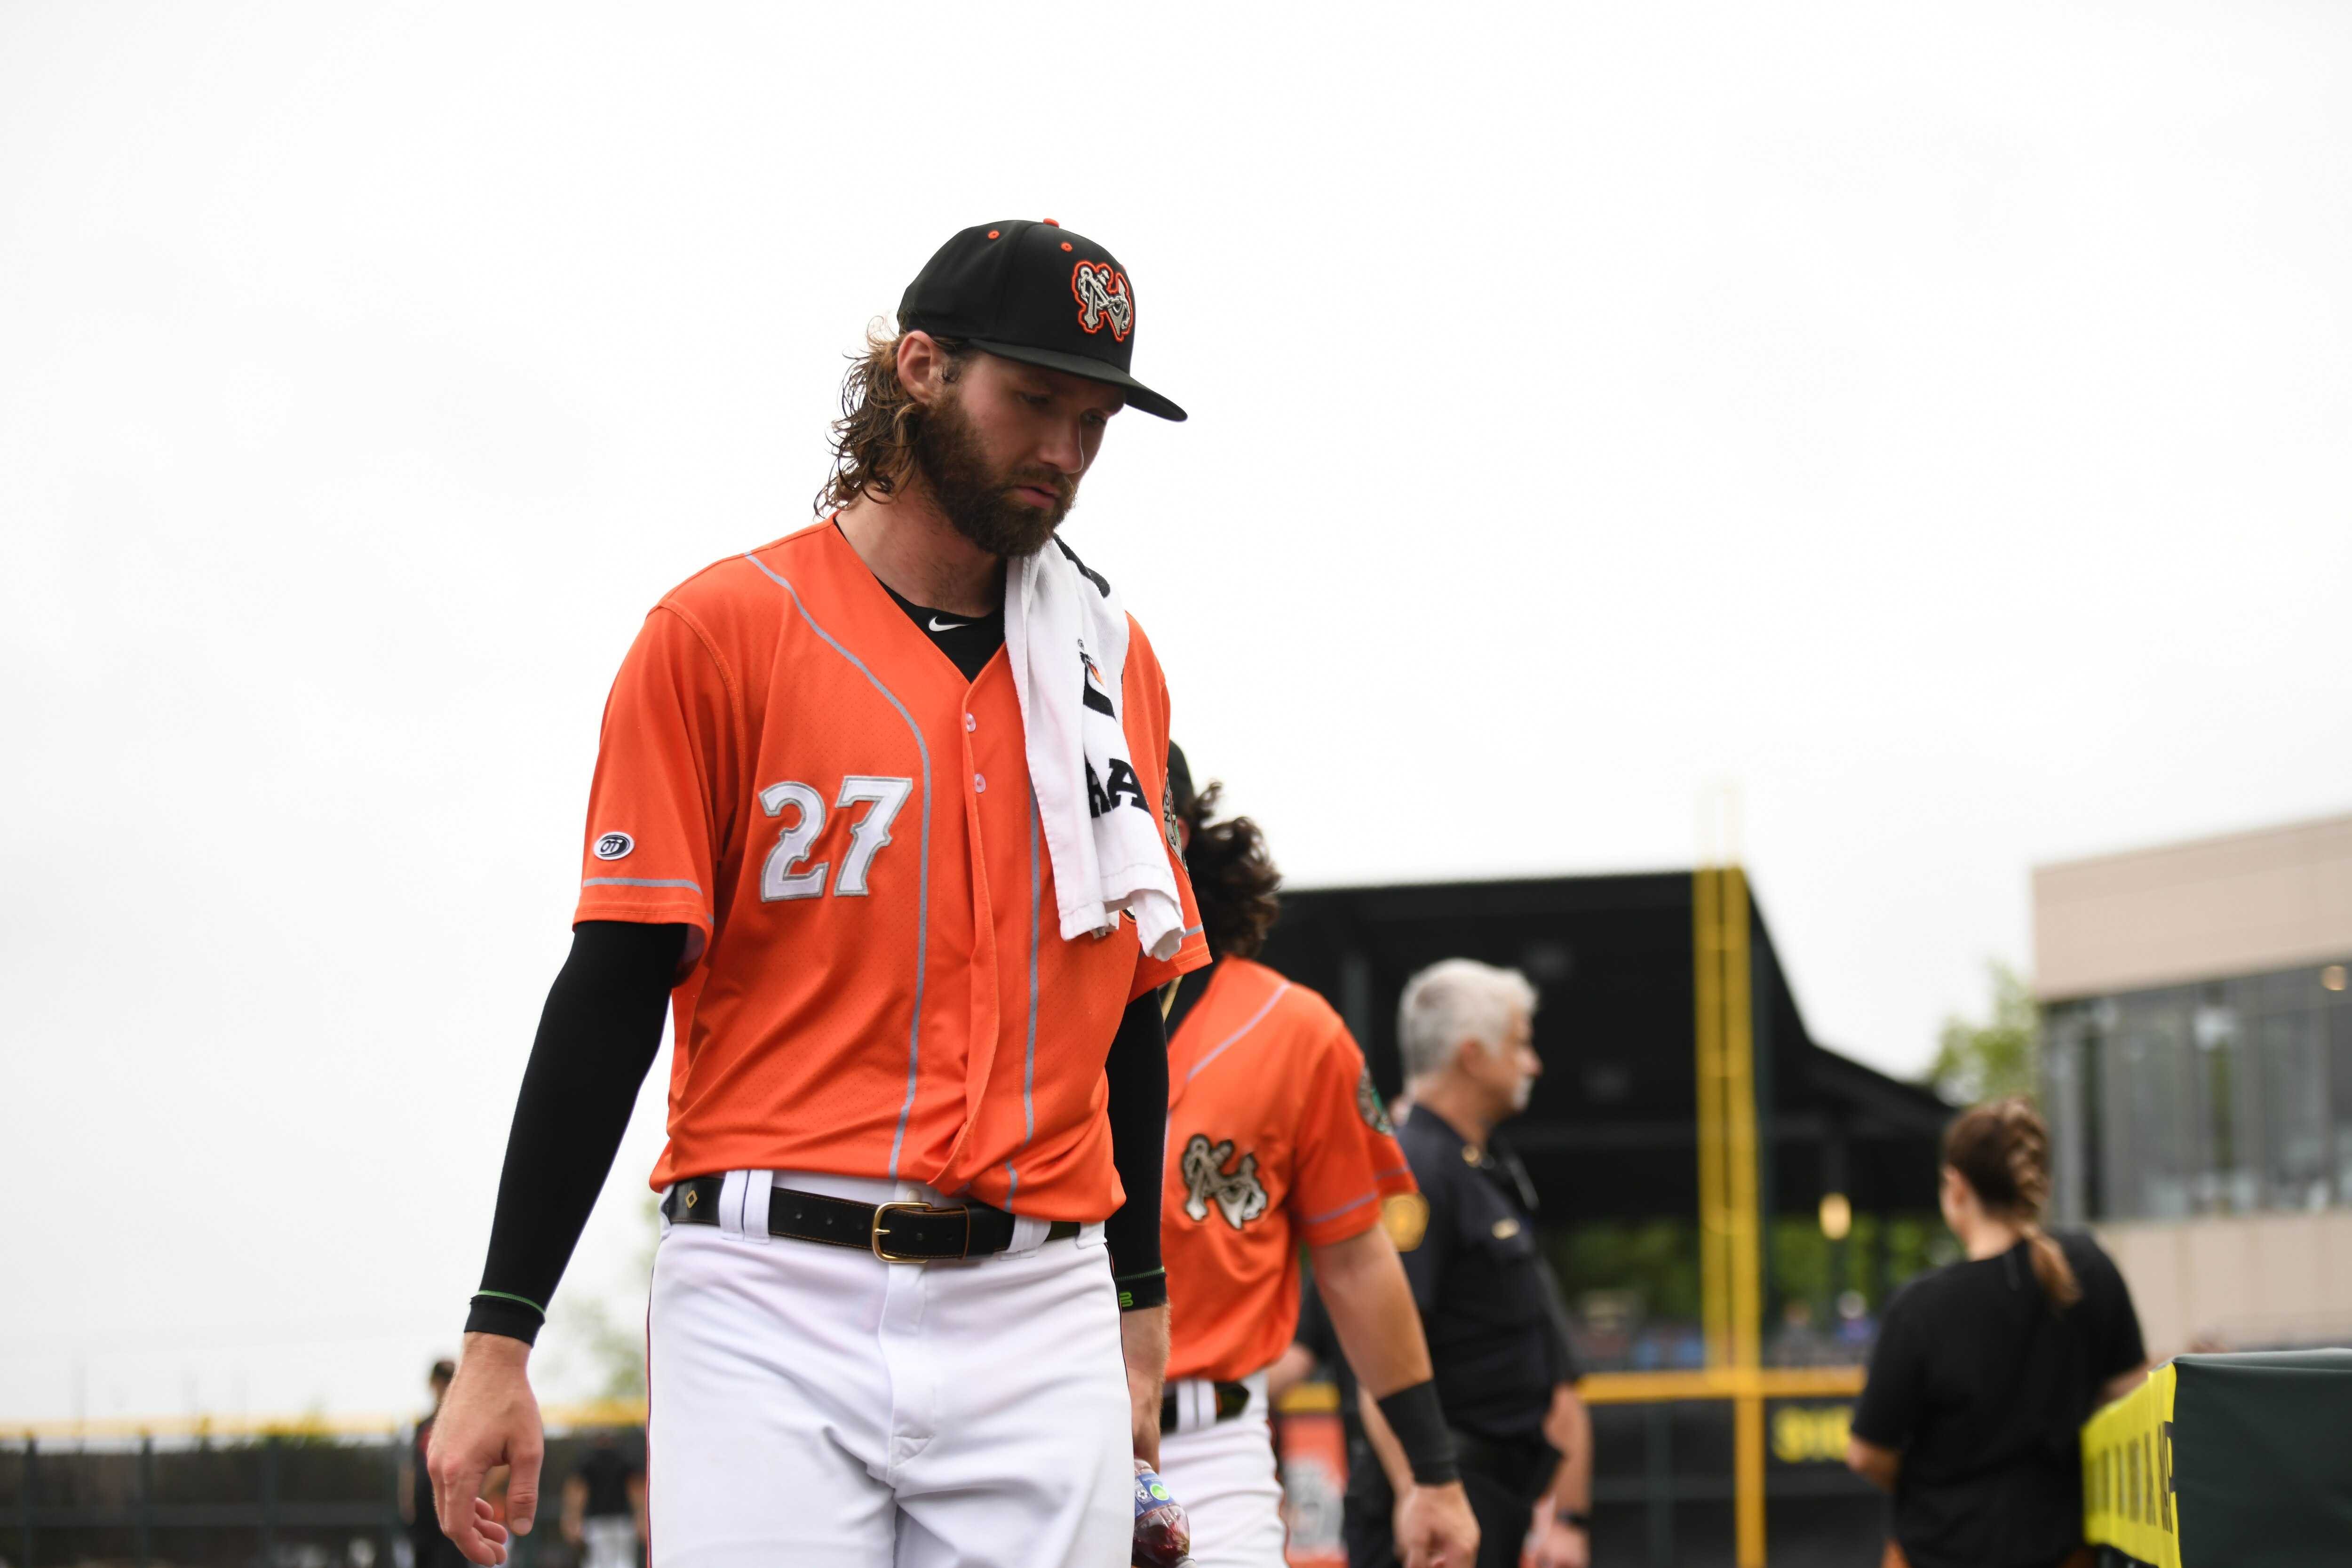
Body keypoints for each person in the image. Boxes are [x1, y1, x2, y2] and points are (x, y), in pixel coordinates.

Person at [425, 217, 1211, 1568]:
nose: (1066, 451)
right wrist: (501, 1333)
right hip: (771, 1291)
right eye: (1034, 400)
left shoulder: (1108, 665)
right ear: (921, 367)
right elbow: (611, 988)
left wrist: (1140, 1308)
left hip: (1041, 1298)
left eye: (1094, 422)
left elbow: (1129, 1013)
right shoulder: (720, 633)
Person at [1152, 749, 1480, 1568]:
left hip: (1206, 1441)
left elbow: (1359, 1262)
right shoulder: (1001, 1003)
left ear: (1174, 830)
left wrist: (1432, 1472)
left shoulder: (1292, 1029)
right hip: (1023, 1424)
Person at [1347, 960, 1592, 1568]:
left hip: (1484, 1496)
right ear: (1473, 1056)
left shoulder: (1472, 1167)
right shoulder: (1416, 1168)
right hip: (1443, 1500)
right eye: (1520, 1044)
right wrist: (1420, 1492)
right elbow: (1379, 1353)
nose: (1532, 1064)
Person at [1846, 1097, 2149, 1568]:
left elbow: (1866, 1455)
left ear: (1956, 1186)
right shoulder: (2089, 1268)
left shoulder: (1920, 1309)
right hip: (2063, 1552)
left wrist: (1936, 1487)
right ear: (2038, 1182)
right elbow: (2131, 1394)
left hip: (1939, 1552)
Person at [399, 1361, 469, 1568]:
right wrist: (407, 1505)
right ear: (433, 1383)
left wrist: (479, 1494)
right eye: (441, 1381)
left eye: (449, 1382)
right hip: (424, 1516)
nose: (445, 1387)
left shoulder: (465, 1424)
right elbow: (411, 1468)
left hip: (453, 1513)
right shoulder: (423, 1426)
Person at [561, 1431, 645, 1568]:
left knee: (598, 1563)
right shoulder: (625, 1458)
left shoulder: (588, 1460)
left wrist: (572, 1519)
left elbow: (577, 1491)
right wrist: (641, 1519)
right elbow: (637, 1490)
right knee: (623, 1562)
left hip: (601, 1522)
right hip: (619, 1522)